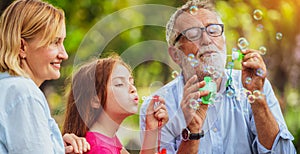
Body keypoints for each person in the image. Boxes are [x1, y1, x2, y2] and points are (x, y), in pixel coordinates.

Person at [140, 0, 296, 153]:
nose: (207, 40)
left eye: (213, 30)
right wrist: (192, 132)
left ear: (224, 40)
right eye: (193, 34)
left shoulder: (255, 87)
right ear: (175, 55)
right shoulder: (157, 108)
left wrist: (258, 100)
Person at [0, 0, 90, 153]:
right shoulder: (24, 93)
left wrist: (57, 145)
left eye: (62, 42)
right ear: (22, 46)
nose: (64, 54)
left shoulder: (8, 88)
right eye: (55, 42)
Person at [62, 55, 169, 154]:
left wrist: (151, 130)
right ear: (95, 100)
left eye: (131, 82)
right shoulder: (99, 149)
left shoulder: (108, 139)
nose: (133, 89)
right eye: (119, 84)